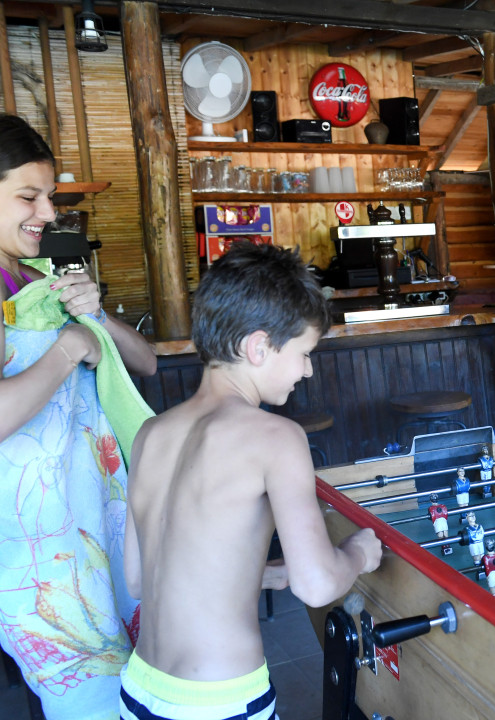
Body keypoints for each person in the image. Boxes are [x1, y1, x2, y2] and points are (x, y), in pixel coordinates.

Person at [121, 243, 382, 719]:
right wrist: (358, 553)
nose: (307, 370)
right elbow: (317, 585)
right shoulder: (276, 437)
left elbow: (142, 579)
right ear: (258, 347)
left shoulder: (149, 434)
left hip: (140, 688)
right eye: (304, 353)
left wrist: (263, 574)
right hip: (220, 699)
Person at [0, 114, 158, 718]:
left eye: (50, 196)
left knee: (136, 688)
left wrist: (97, 316)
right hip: (38, 554)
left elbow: (144, 363)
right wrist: (69, 347)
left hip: (97, 523)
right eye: (29, 196)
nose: (47, 212)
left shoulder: (41, 276)